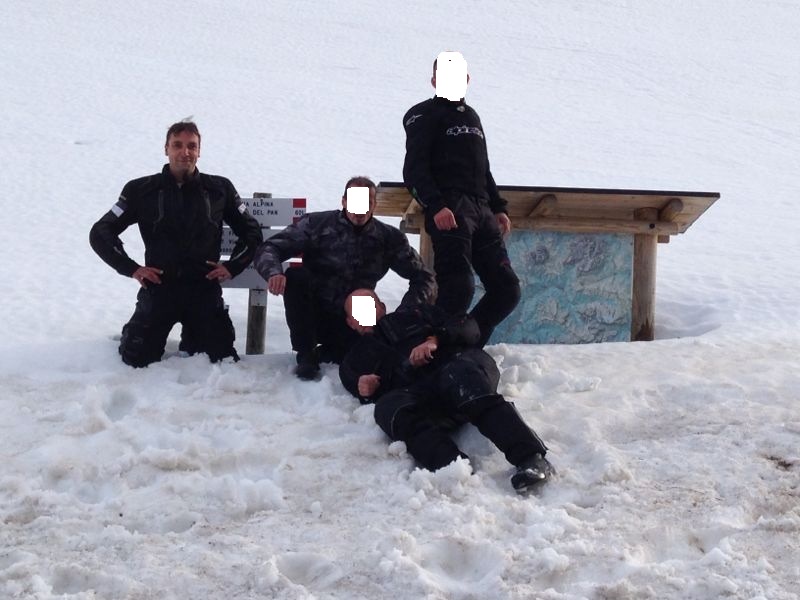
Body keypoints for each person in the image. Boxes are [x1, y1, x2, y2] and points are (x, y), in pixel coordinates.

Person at [339, 289, 554, 494]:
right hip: (423, 397)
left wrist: (435, 340)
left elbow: (468, 326)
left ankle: (530, 458)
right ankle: (452, 466)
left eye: (367, 305)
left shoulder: (417, 314)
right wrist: (365, 387)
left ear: (381, 306)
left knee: (459, 376)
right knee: (387, 407)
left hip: (462, 369)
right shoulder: (354, 359)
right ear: (350, 322)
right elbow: (357, 386)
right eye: (356, 310)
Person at [89, 121, 263, 367]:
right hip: (160, 288)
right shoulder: (141, 189)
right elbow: (100, 232)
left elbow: (251, 232)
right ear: (166, 148)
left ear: (199, 150)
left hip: (203, 288)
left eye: (192, 146)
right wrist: (132, 268)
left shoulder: (219, 188)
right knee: (136, 358)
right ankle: (138, 330)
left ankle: (195, 338)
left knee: (220, 359)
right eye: (177, 145)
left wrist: (232, 266)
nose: (185, 152)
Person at [253, 176, 436, 381]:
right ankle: (306, 353)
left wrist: (405, 313)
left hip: (357, 322)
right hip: (314, 314)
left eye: (367, 202)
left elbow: (423, 277)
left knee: (364, 305)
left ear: (374, 205)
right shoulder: (315, 224)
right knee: (296, 276)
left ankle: (346, 351)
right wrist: (274, 273)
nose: (360, 210)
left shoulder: (389, 238)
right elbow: (269, 248)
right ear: (344, 201)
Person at [403, 51, 521, 347]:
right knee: (459, 287)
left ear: (467, 79)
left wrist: (498, 207)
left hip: (482, 209)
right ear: (433, 81)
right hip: (450, 208)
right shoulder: (422, 114)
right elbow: (414, 170)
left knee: (506, 289)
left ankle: (464, 345)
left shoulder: (472, 116)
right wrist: (436, 205)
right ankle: (433, 350)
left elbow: (484, 168)